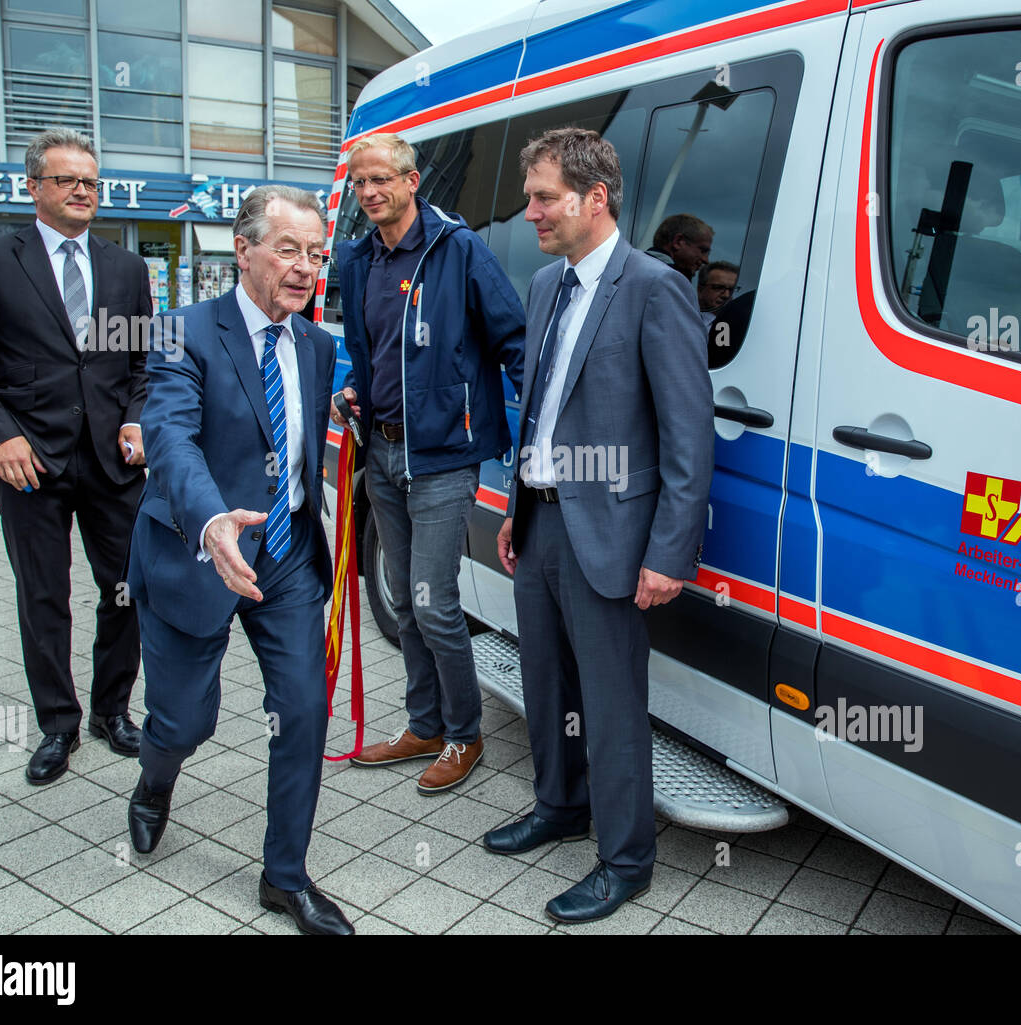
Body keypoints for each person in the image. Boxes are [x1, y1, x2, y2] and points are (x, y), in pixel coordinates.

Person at [486, 128, 713, 923]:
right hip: (542, 522)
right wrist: (519, 506)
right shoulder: (548, 283)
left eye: (545, 197)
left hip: (613, 536)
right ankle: (559, 804)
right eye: (531, 196)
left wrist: (669, 553)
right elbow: (539, 410)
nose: (530, 212)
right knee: (544, 683)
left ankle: (625, 860)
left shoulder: (654, 287)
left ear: (595, 198)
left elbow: (690, 434)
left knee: (612, 703)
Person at [125, 186, 351, 935]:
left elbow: (287, 441)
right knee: (185, 720)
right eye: (288, 250)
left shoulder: (315, 345)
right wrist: (213, 518)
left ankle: (284, 877)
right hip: (201, 551)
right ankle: (156, 782)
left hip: (285, 556)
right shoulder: (181, 331)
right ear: (243, 249)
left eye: (316, 254)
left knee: (304, 711)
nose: (305, 268)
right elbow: (171, 437)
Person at [0, 127, 151, 785]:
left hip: (113, 462)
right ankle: (58, 724)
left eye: (90, 180)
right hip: (29, 463)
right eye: (67, 180)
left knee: (128, 589)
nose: (83, 190)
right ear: (34, 187)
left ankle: (111, 711)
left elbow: (143, 361)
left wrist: (140, 421)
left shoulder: (126, 267)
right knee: (44, 596)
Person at [331, 133, 525, 794]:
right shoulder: (358, 260)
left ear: (413, 182)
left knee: (434, 602)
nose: (369, 192)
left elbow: (514, 340)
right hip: (381, 448)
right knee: (404, 603)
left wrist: (552, 423)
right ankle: (424, 723)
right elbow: (370, 350)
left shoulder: (458, 249)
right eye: (360, 183)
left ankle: (465, 735)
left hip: (442, 457)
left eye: (381, 179)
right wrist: (355, 390)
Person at [645, 213, 713, 281]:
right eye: (703, 251)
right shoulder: (668, 280)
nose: (706, 260)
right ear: (678, 242)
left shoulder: (639, 266)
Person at [696, 260, 739, 328]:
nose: (726, 295)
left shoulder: (739, 327)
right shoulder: (683, 317)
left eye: (732, 289)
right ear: (700, 289)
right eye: (718, 287)